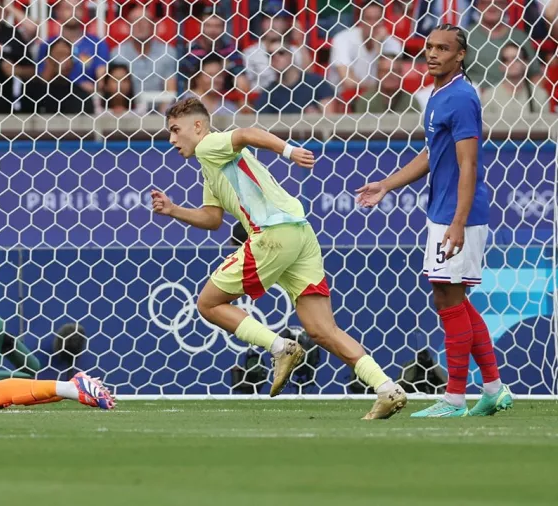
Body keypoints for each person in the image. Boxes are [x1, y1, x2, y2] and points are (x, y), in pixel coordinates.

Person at [153, 97, 408, 420]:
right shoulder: (212, 165)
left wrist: (288, 151)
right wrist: (174, 210)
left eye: (176, 130)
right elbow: (212, 219)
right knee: (321, 330)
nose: (172, 139)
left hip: (272, 235)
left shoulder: (209, 146)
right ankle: (386, 388)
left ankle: (279, 347)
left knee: (207, 304)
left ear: (198, 126)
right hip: (301, 235)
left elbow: (246, 133)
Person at [356, 24, 513, 418]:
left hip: (456, 214)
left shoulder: (460, 97)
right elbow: (432, 155)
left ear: (460, 55)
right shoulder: (436, 97)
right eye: (429, 47)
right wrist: (387, 185)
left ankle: (455, 398)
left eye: (443, 49)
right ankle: (492, 388)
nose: (432, 54)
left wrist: (458, 222)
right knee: (452, 297)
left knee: (446, 296)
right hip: (443, 210)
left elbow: (468, 163)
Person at [465, 0, 540, 90]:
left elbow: (535, 75)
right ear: (478, 6)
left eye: (498, 3)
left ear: (506, 6)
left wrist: (531, 99)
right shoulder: (466, 36)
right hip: (475, 97)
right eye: (486, 2)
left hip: (514, 98)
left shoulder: (519, 37)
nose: (492, 7)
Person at [21, 38, 93, 115]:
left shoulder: (80, 96)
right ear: (47, 59)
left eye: (69, 56)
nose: (65, 61)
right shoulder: (30, 92)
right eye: (60, 55)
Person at [254, 46, 334, 115]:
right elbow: (262, 123)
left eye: (281, 53)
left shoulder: (316, 83)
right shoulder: (268, 93)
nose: (275, 57)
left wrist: (316, 117)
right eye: (270, 55)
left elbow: (329, 118)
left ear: (292, 56)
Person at [479, 43, 550, 119]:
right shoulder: (489, 96)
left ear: (526, 64)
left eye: (516, 59)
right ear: (501, 65)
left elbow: (544, 127)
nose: (511, 63)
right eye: (506, 59)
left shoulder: (539, 95)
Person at [352, 50, 421, 114]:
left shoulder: (411, 102)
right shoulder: (366, 101)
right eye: (384, 71)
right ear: (378, 74)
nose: (389, 75)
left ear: (400, 73)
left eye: (394, 71)